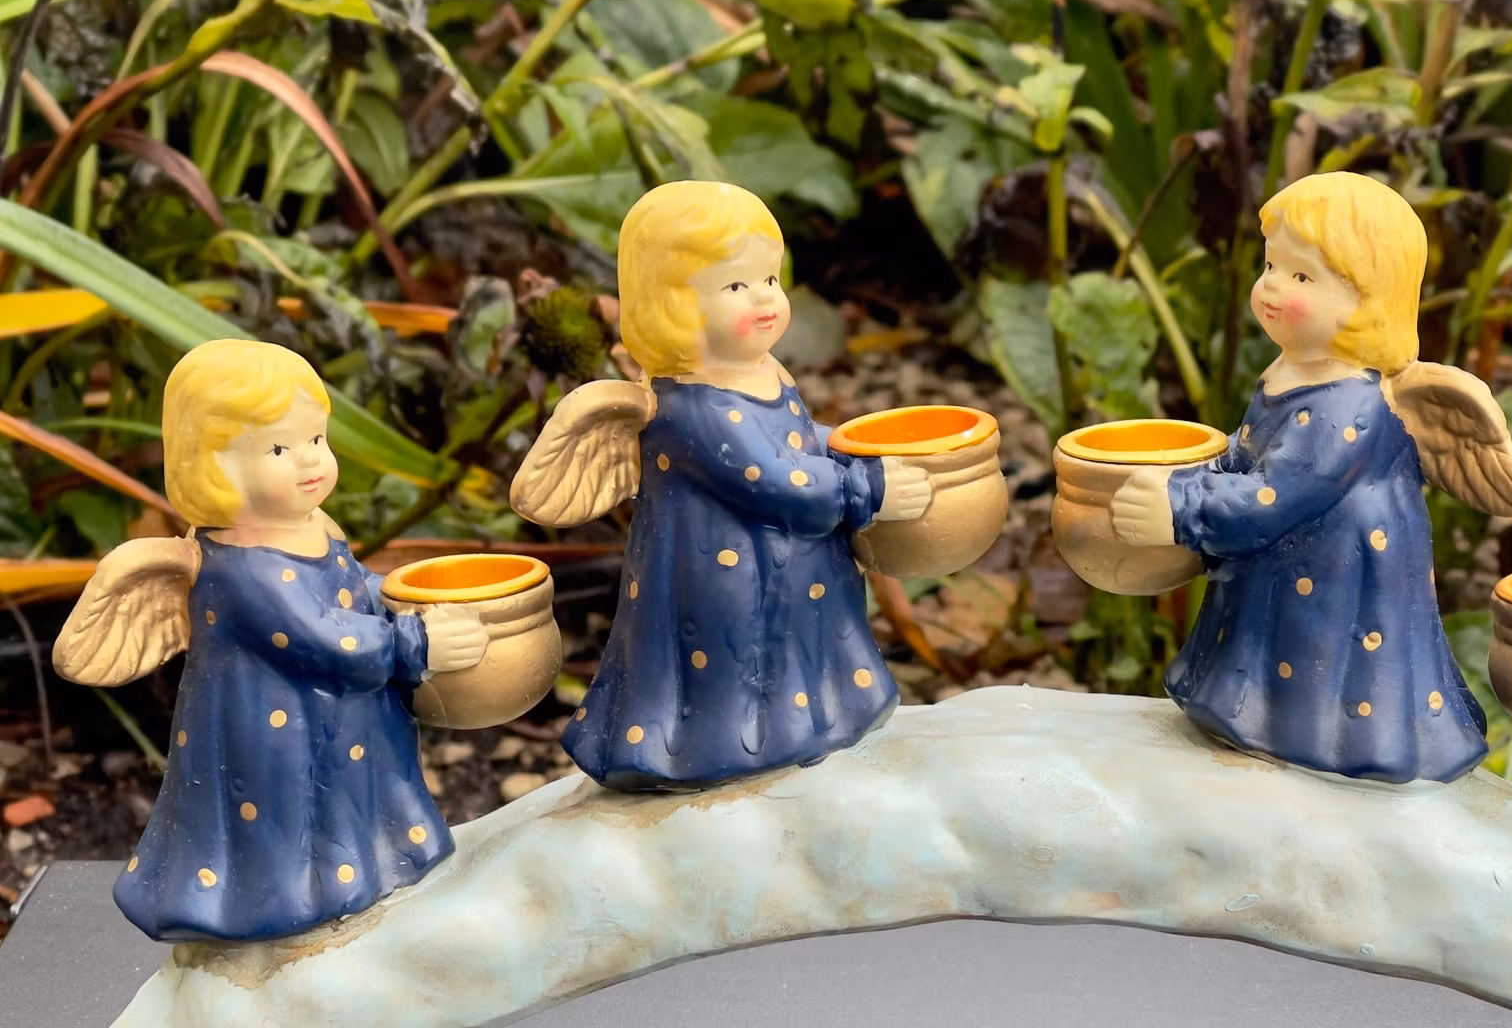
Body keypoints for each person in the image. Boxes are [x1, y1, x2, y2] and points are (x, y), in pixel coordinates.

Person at [54, 339, 486, 943]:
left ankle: (359, 884)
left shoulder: (315, 525)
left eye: (317, 439)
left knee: (351, 801)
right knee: (295, 814)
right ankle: (287, 911)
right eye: (279, 449)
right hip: (280, 727)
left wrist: (396, 595)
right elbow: (324, 640)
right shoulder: (243, 566)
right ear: (215, 467)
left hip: (342, 720)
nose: (312, 460)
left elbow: (350, 586)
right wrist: (414, 643)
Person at [1105, 172, 1512, 782]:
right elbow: (1254, 455)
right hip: (1297, 563)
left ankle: (1324, 739)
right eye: (1271, 265)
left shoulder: (1347, 401)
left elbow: (1275, 496)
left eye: (1302, 277)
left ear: (1367, 299)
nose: (1272, 286)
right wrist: (1202, 467)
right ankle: (1265, 722)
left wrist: (1180, 505)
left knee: (1323, 658)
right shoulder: (1294, 369)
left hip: (1335, 568)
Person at [512, 182, 932, 789]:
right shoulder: (693, 406)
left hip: (795, 566)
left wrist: (845, 444)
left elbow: (795, 438)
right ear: (672, 305)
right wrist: (866, 488)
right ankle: (720, 745)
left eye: (770, 279)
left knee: (799, 641)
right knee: (741, 651)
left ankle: (817, 717)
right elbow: (776, 481)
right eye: (736, 286)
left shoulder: (764, 370)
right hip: (729, 571)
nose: (764, 298)